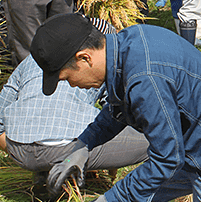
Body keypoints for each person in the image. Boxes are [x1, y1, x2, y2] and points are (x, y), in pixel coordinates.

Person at [30, 13, 201, 202]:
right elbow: (117, 110)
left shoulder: (145, 78)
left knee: (130, 194)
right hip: (197, 149)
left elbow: (167, 161)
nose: (71, 86)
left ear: (84, 58)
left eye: (67, 78)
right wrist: (82, 147)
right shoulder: (125, 46)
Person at [0, 19, 148, 190]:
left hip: (19, 150)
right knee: (158, 137)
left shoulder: (33, 59)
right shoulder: (100, 60)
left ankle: (45, 171)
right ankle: (144, 197)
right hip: (67, 149)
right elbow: (117, 113)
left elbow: (3, 108)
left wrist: (17, 147)